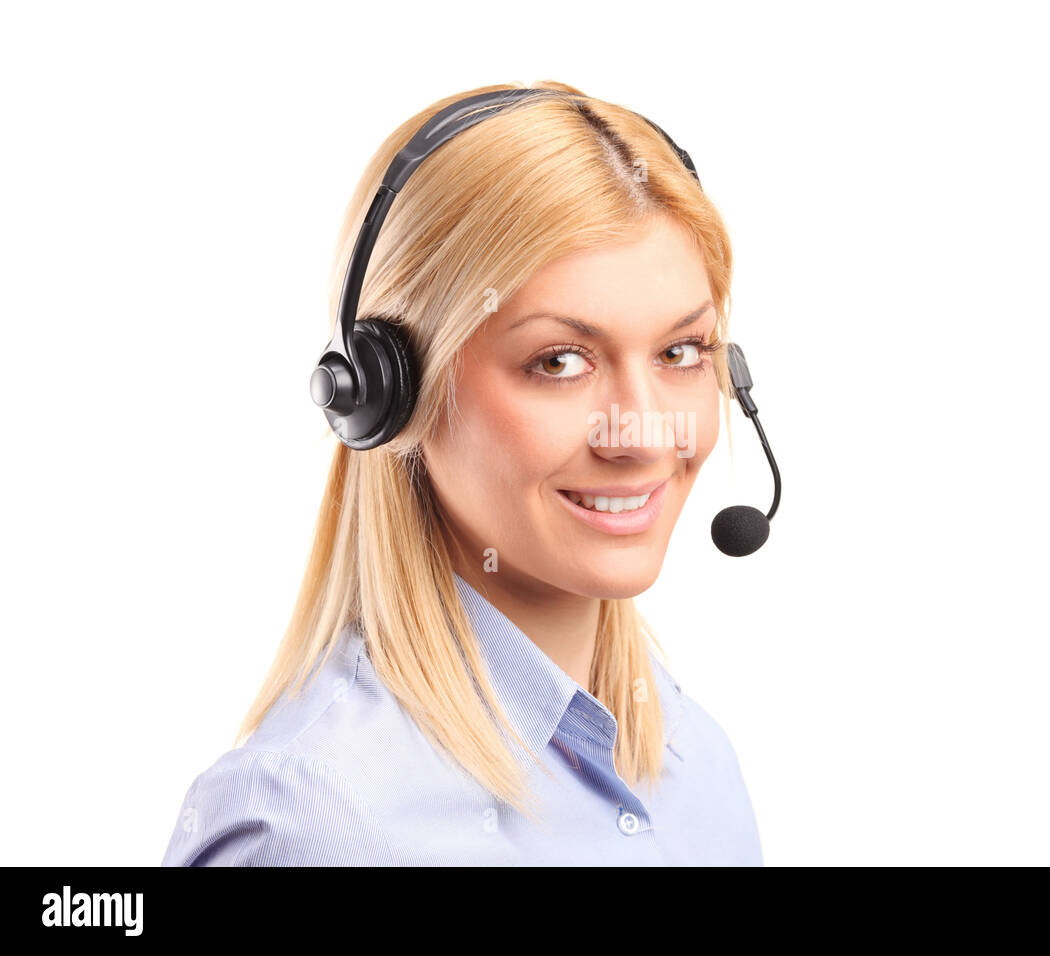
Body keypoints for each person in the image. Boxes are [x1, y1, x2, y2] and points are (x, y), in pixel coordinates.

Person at [161, 81, 762, 865]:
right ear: (389, 394)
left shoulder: (697, 769)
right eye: (559, 361)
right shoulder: (310, 822)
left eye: (681, 352)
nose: (645, 434)